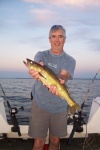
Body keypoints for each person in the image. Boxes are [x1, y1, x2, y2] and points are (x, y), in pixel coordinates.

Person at [28, 25, 76, 150]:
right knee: (38, 142)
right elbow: (39, 64)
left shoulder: (70, 60)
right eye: (54, 36)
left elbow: (63, 75)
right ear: (49, 39)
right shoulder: (41, 54)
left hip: (59, 106)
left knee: (55, 141)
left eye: (60, 37)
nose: (57, 40)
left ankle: (72, 104)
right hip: (40, 103)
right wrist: (35, 70)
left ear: (64, 39)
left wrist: (60, 79)